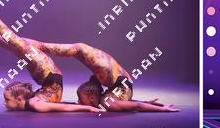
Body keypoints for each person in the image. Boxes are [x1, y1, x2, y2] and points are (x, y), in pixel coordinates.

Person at [0, 0, 100, 113]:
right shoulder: (35, 104)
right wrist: (88, 108)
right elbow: (64, 107)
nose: (4, 103)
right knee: (13, 42)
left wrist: (87, 108)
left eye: (7, 100)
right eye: (6, 99)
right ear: (19, 99)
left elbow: (63, 106)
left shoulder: (34, 104)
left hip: (46, 74)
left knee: (11, 43)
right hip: (47, 73)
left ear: (19, 99)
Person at [34, 41, 178, 112]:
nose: (78, 102)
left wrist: (163, 109)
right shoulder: (107, 99)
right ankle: (41, 45)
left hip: (121, 82)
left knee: (80, 49)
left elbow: (137, 106)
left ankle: (40, 45)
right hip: (121, 82)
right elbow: (131, 103)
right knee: (80, 50)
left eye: (80, 99)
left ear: (92, 98)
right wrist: (148, 102)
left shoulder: (107, 102)